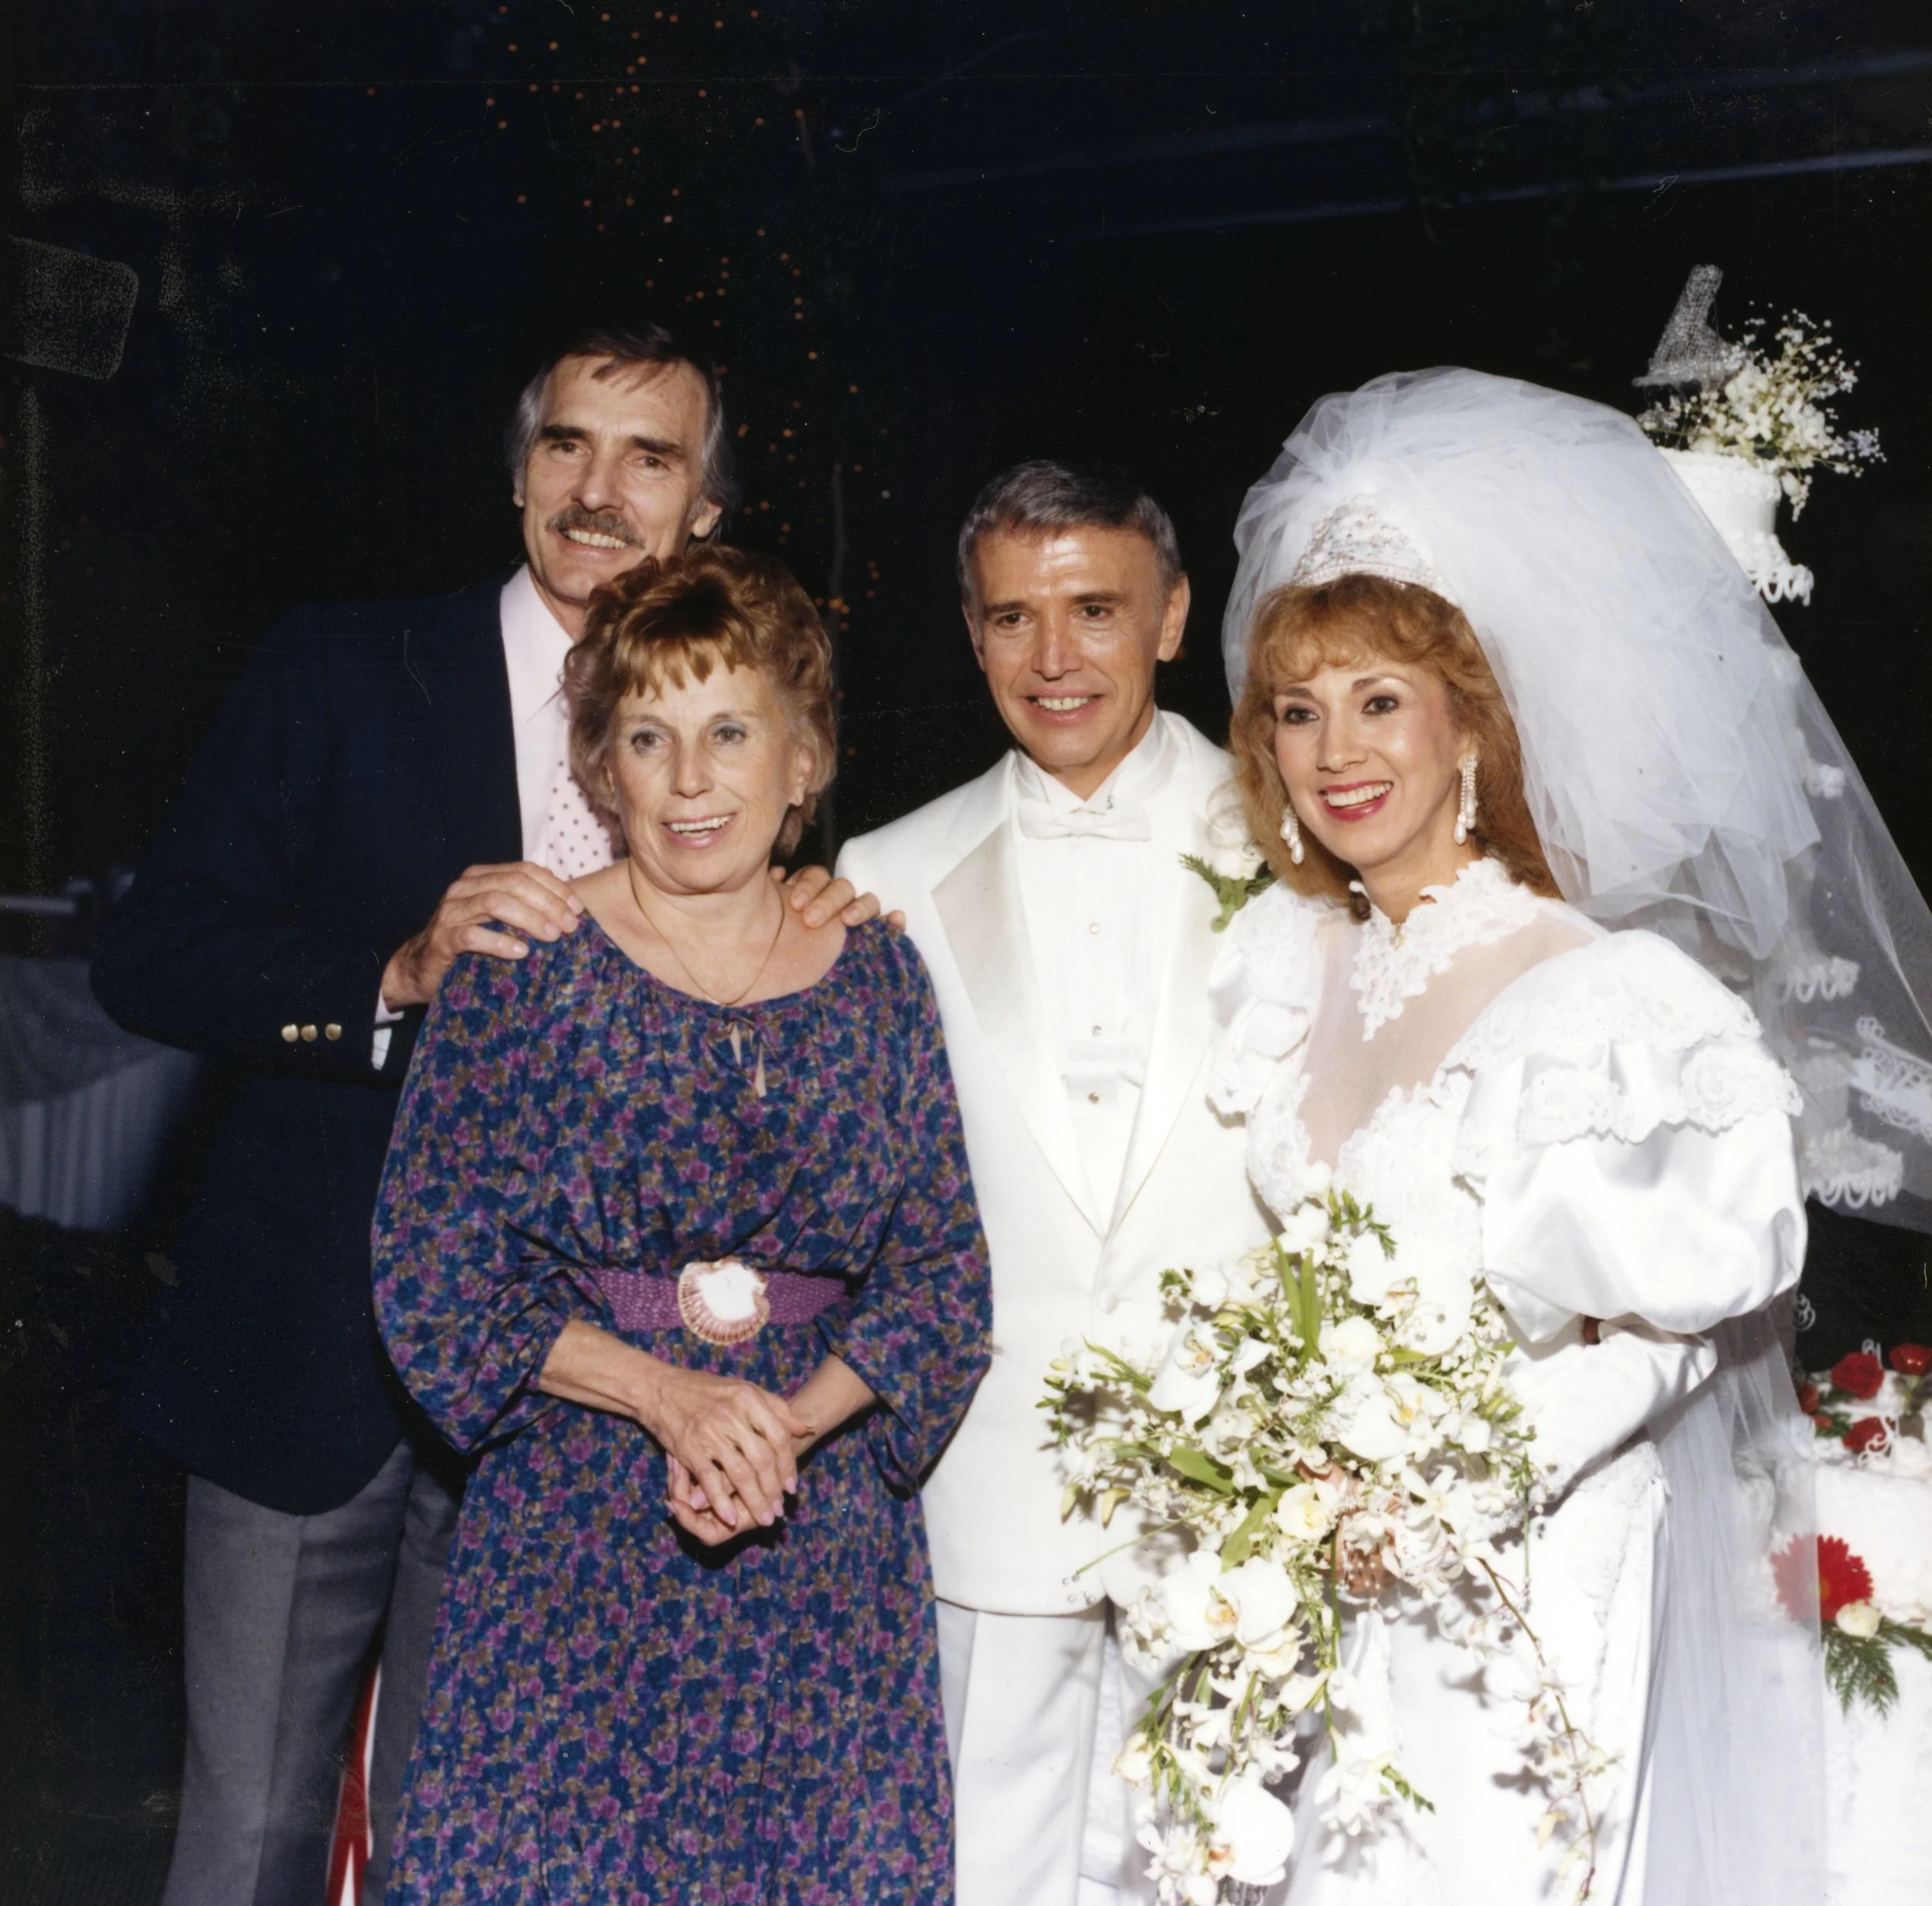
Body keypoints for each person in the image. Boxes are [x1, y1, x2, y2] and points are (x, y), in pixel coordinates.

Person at [89, 321, 876, 1905]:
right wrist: (384, 975)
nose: (597, 490)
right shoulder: (342, 663)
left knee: (486, 1857)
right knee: (250, 1842)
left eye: (648, 458)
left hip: (569, 1416)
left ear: (704, 512)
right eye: (564, 446)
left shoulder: (739, 742)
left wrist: (817, 932)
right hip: (308, 1366)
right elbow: (152, 950)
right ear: (518, 472)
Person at [1208, 367, 1855, 1904]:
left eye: (1379, 700)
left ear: (1468, 729)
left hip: (1523, 1576)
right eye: (1297, 710)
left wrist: (1443, 1492)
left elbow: (1677, 1332)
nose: (1333, 747)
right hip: (1326, 1589)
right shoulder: (1283, 969)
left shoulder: (1600, 994)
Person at [372, 542, 992, 1903]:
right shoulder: (519, 971)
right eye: (649, 738)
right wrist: (670, 1400)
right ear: (604, 773)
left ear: (806, 757)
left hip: (820, 1552)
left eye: (730, 732)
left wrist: (786, 1428)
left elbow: (942, 1276)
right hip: (575, 1540)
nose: (693, 778)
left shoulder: (881, 972)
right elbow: (435, 1268)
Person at [836, 463, 1275, 1906]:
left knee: (1219, 1865)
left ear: (1171, 616)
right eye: (1013, 619)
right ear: (971, 637)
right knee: (987, 1868)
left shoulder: (1302, 846)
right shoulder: (886, 872)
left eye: (1094, 610)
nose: (1055, 657)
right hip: (989, 1480)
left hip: (1244, 1492)